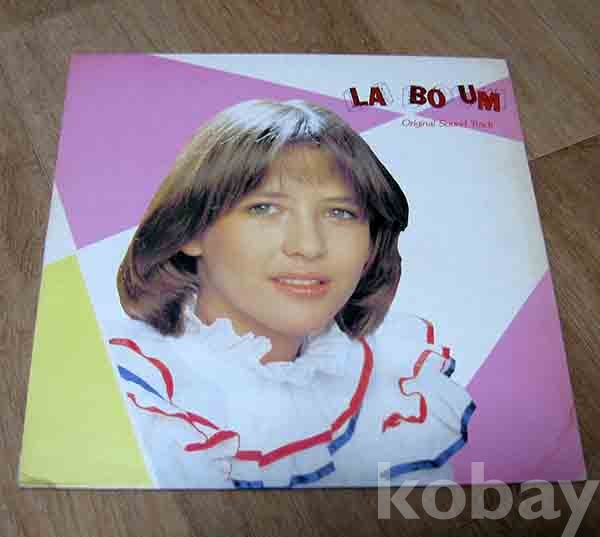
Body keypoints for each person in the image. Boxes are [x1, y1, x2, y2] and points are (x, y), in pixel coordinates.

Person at [105, 99, 475, 488]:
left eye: (340, 213)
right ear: (191, 230)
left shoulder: (394, 385)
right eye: (265, 208)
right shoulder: (128, 381)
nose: (309, 246)